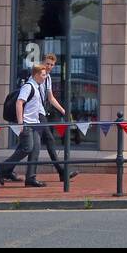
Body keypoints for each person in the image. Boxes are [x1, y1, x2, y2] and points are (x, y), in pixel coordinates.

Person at [0, 64, 48, 187]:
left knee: (35, 150)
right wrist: (21, 123)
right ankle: (3, 168)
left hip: (35, 124)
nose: (45, 77)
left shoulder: (37, 87)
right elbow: (19, 103)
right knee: (27, 148)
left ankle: (30, 178)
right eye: (43, 74)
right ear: (36, 75)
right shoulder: (28, 86)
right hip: (27, 124)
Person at [38, 54, 79, 183]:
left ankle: (6, 169)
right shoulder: (38, 75)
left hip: (41, 113)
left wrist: (63, 111)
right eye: (47, 63)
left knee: (27, 146)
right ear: (42, 62)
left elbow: (50, 98)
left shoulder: (48, 78)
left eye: (51, 65)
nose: (49, 67)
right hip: (35, 114)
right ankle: (61, 171)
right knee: (48, 140)